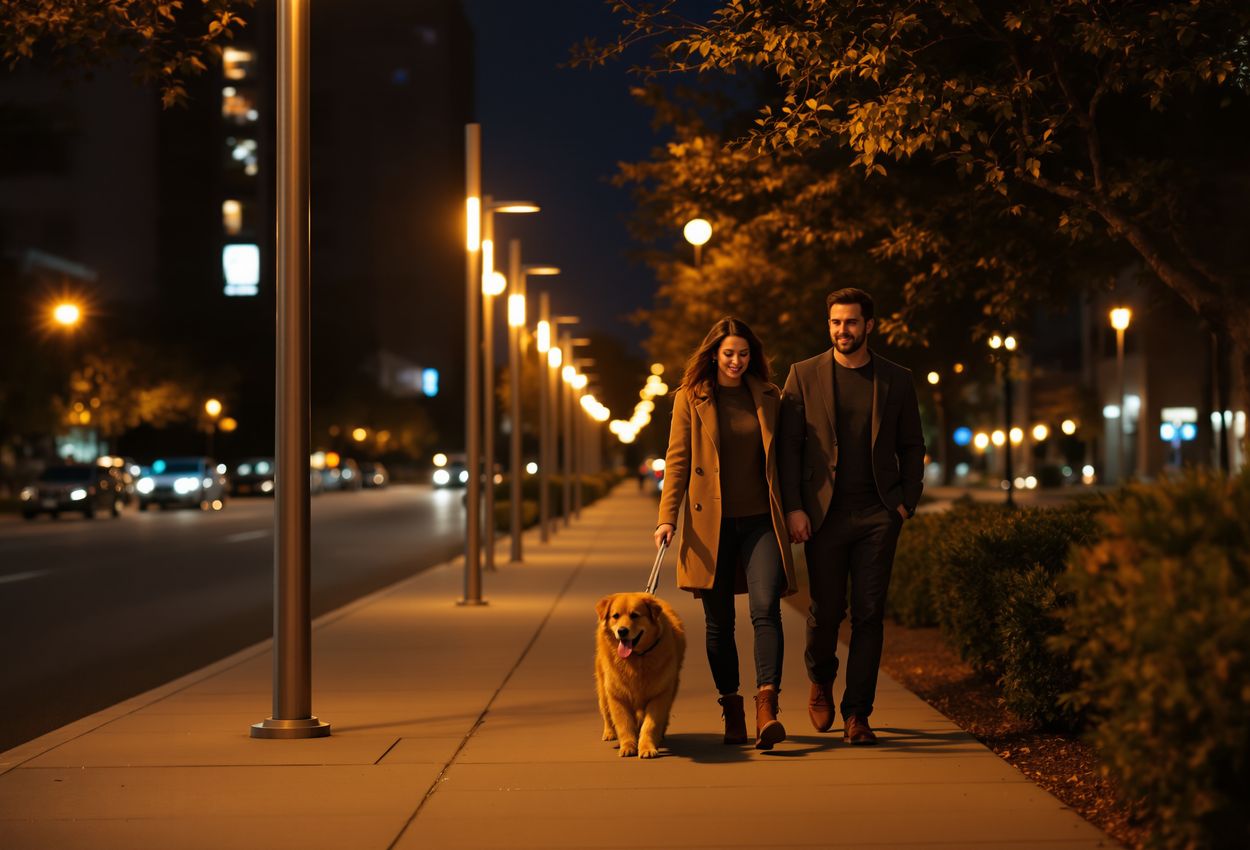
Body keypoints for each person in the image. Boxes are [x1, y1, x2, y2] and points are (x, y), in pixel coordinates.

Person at [778, 288, 925, 745]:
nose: (843, 330)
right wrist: (795, 507)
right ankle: (821, 678)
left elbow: (913, 445)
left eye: (852, 322)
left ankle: (858, 714)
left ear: (869, 325)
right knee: (825, 613)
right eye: (836, 322)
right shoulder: (803, 375)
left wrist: (906, 500)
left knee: (869, 615)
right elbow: (789, 448)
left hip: (879, 513)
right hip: (823, 515)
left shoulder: (896, 379)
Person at [655, 317, 798, 750]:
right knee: (719, 622)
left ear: (753, 356)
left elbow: (786, 459)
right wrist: (667, 518)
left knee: (765, 608)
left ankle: (767, 707)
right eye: (729, 353)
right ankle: (731, 705)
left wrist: (795, 509)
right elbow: (677, 460)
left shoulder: (770, 396)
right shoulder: (691, 398)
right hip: (710, 524)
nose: (736, 361)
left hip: (761, 520)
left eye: (744, 353)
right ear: (714, 355)